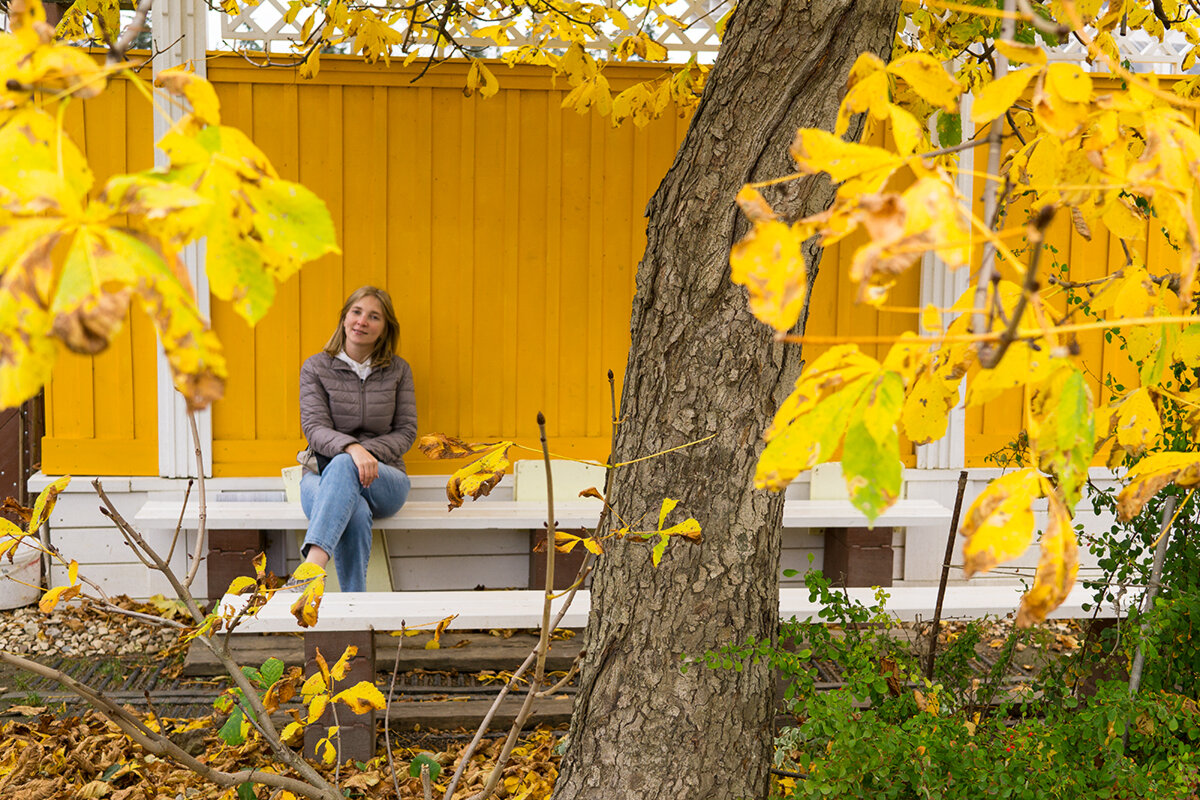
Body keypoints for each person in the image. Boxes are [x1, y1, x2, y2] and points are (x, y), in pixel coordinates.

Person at [296, 286, 417, 592]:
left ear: (385, 328)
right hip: (319, 478)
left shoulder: (398, 370)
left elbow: (406, 431)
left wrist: (365, 453)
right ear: (344, 318)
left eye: (374, 316)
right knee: (355, 507)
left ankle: (312, 565)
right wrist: (351, 449)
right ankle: (355, 608)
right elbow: (314, 427)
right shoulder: (316, 367)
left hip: (385, 479)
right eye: (357, 312)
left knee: (344, 465)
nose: (362, 321)